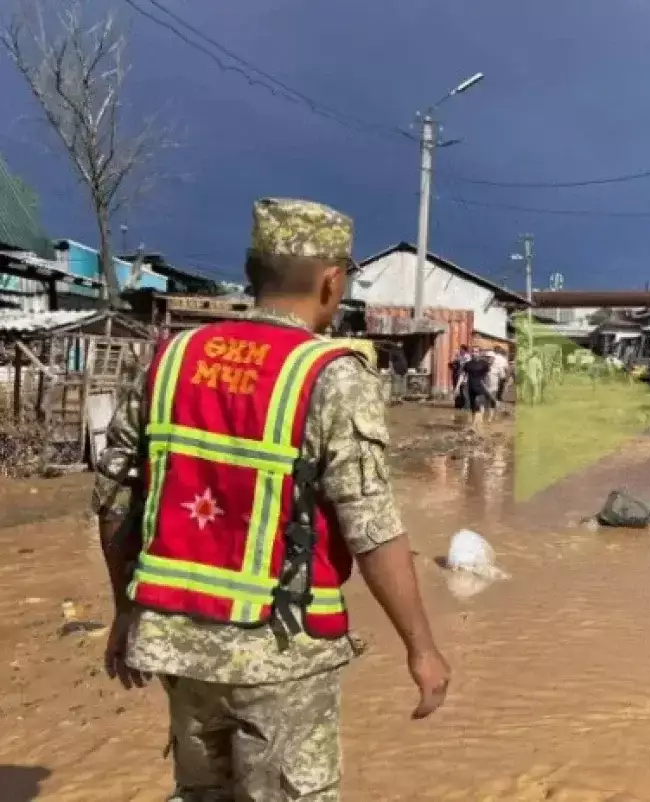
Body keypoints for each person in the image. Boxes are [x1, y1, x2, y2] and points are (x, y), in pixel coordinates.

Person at [91, 198, 450, 802]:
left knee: (200, 792)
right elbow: (372, 529)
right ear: (332, 283)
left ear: (252, 272)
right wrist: (422, 648)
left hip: (177, 640)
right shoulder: (332, 375)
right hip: (281, 653)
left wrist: (126, 613)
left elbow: (114, 498)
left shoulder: (171, 359)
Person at [458, 346, 493, 429]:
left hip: (481, 386)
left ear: (479, 353)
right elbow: (463, 375)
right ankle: (474, 423)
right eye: (473, 351)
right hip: (471, 387)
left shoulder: (484, 364)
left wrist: (489, 386)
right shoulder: (468, 364)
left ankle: (480, 424)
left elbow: (488, 375)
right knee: (473, 406)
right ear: (471, 353)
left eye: (476, 351)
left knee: (479, 404)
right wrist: (458, 386)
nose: (474, 353)